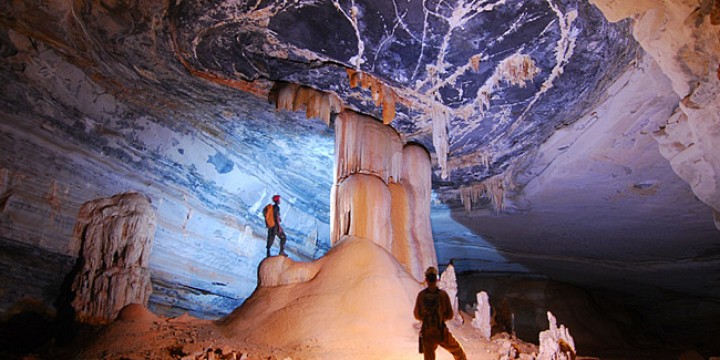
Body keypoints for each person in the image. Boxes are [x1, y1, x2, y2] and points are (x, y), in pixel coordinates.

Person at [414, 267, 467, 360]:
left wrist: (426, 319)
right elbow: (449, 314)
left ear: (426, 279)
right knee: (458, 352)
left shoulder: (421, 295)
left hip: (427, 333)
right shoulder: (442, 295)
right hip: (441, 332)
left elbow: (417, 315)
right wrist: (440, 318)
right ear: (436, 279)